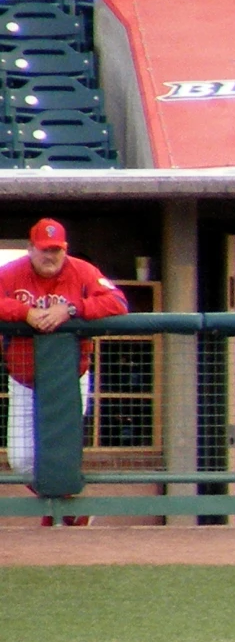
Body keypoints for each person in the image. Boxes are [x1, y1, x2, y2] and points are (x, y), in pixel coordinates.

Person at [0, 219, 127, 518]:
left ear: (65, 249)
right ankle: (69, 507)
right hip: (25, 379)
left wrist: (71, 309)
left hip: (71, 378)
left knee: (58, 452)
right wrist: (24, 312)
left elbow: (118, 302)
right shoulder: (12, 273)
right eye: (44, 250)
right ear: (31, 249)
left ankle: (60, 512)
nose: (50, 256)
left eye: (56, 250)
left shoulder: (82, 271)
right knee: (21, 460)